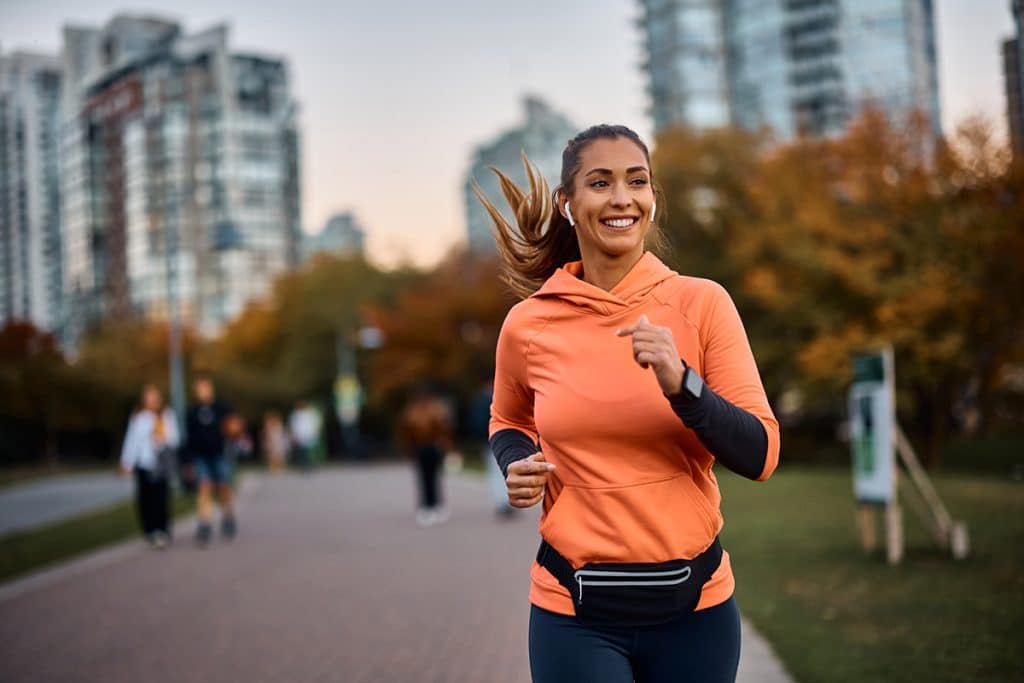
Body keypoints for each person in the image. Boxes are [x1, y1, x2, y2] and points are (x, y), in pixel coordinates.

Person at [479, 125, 780, 682]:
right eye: (601, 182)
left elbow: (760, 455)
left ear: (652, 199)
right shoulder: (529, 323)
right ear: (568, 204)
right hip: (573, 610)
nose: (622, 198)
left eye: (636, 181)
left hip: (696, 610)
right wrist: (515, 463)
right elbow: (507, 418)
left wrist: (682, 383)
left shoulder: (703, 304)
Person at [120, 384, 180, 549]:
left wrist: (161, 440)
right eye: (149, 397)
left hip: (161, 464)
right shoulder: (139, 417)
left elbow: (174, 439)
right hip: (144, 463)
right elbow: (132, 441)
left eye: (154, 397)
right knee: (145, 499)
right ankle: (150, 530)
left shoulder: (167, 416)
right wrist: (127, 462)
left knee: (160, 498)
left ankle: (162, 529)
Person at [185, 374, 236, 546]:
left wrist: (234, 430)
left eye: (205, 387)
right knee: (204, 488)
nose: (202, 391)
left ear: (211, 388)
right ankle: (204, 523)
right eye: (199, 388)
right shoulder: (192, 412)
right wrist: (187, 460)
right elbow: (189, 438)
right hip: (201, 457)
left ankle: (228, 516)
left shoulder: (221, 408)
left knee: (223, 487)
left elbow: (233, 427)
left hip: (219, 454)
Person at [397, 387, 453, 526]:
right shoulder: (418, 412)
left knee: (432, 477)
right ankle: (428, 506)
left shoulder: (425, 411)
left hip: (430, 447)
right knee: (426, 478)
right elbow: (406, 432)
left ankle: (434, 505)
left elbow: (443, 429)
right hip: (422, 448)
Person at [288, 401, 321, 473]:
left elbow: (315, 424)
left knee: (308, 452)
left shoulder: (310, 414)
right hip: (300, 436)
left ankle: (308, 465)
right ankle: (303, 466)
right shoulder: (295, 415)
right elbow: (293, 426)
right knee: (302, 452)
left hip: (308, 435)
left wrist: (315, 432)